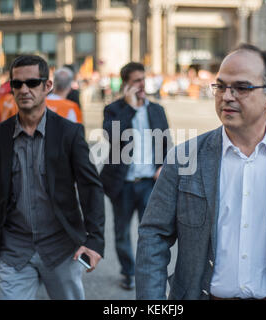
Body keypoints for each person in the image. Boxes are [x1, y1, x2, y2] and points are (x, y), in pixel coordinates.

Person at [135, 44, 266, 300]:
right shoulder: (184, 157)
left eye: (241, 88)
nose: (227, 96)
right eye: (220, 86)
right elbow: (153, 235)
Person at [0, 55, 105, 300]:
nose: (24, 89)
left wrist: (95, 241)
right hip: (13, 250)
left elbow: (91, 188)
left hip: (62, 249)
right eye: (17, 84)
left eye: (32, 83)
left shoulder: (69, 133)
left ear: (47, 86)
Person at [100, 62, 171, 290]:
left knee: (150, 234)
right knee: (121, 233)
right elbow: (113, 136)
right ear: (126, 85)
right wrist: (129, 108)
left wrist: (163, 166)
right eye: (136, 81)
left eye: (143, 79)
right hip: (123, 184)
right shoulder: (113, 110)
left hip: (149, 183)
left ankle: (148, 273)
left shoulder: (156, 109)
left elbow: (166, 142)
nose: (142, 84)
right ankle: (128, 272)